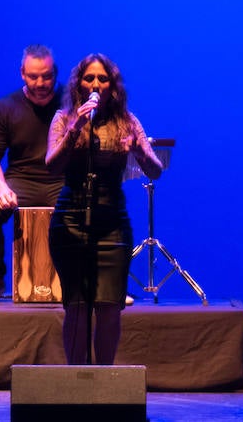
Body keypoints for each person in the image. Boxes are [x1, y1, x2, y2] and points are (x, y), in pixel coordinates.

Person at [45, 53, 163, 365]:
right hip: (70, 220)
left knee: (109, 307)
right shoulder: (63, 118)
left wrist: (138, 150)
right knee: (78, 306)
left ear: (112, 85)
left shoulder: (128, 120)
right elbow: (51, 166)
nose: (96, 84)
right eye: (89, 78)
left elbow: (155, 169)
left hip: (112, 223)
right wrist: (76, 128)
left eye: (102, 78)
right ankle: (77, 384)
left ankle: (105, 384)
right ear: (78, 85)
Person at [0, 44, 64, 303]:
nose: (40, 82)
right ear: (22, 73)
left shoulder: (72, 102)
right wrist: (2, 189)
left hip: (62, 181)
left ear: (55, 73)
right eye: (33, 76)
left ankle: (94, 285)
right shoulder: (5, 107)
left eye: (47, 76)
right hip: (20, 180)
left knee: (96, 210)